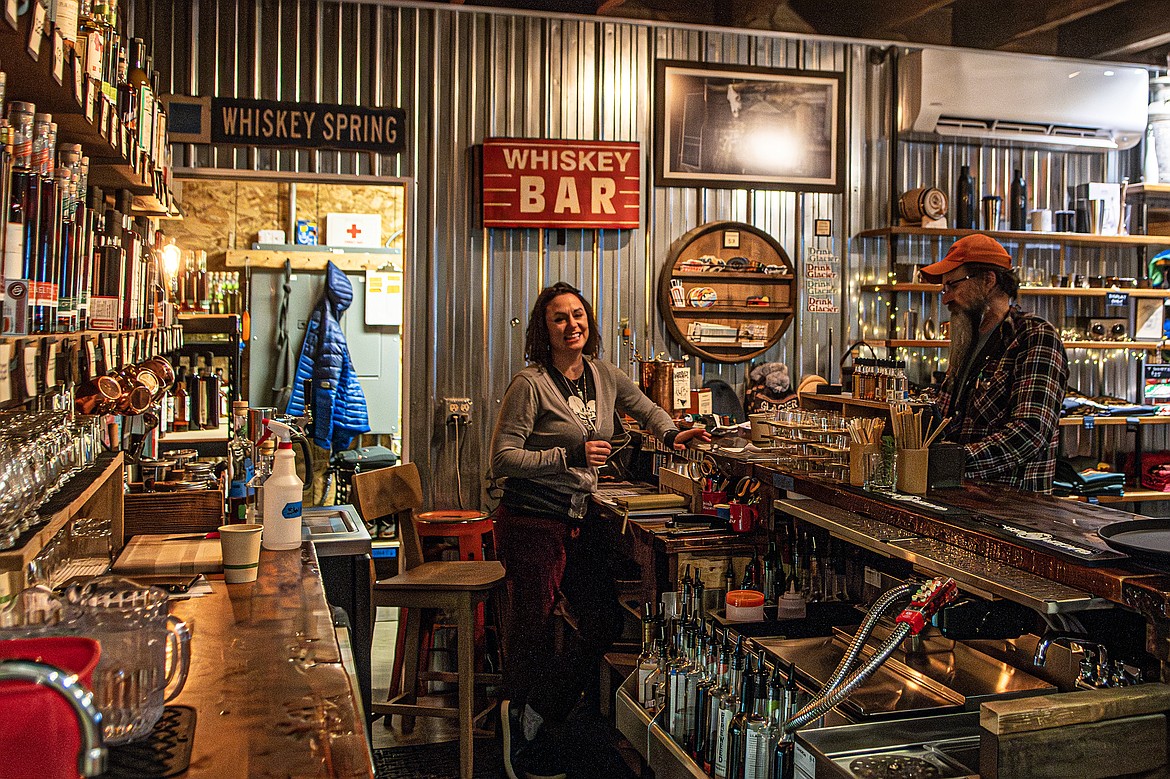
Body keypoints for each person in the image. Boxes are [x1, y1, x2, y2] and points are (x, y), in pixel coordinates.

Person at [490, 282, 710, 779]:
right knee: (534, 630)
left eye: (578, 315)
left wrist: (676, 433)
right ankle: (515, 736)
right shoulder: (530, 384)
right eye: (559, 318)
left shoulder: (603, 375)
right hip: (532, 521)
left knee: (602, 622)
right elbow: (502, 458)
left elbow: (646, 408)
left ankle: (534, 716)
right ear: (542, 331)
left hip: (576, 518)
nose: (573, 324)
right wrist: (567, 454)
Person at [920, 233, 1068, 493]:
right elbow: (947, 417)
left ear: (988, 280)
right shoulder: (966, 340)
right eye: (944, 289)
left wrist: (953, 462)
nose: (946, 298)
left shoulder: (1033, 336)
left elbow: (1030, 432)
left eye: (953, 286)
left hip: (1012, 507)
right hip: (958, 496)